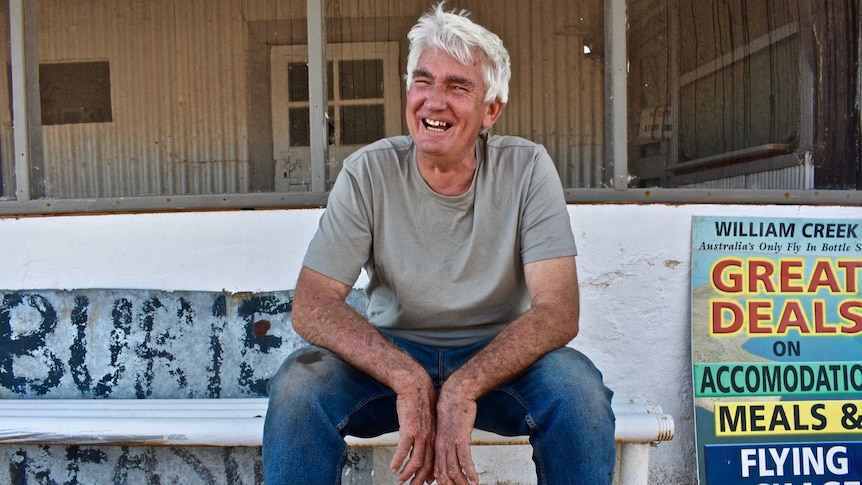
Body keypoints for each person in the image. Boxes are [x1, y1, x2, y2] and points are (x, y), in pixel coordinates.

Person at [263, 4, 616, 484]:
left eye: (458, 86)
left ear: (491, 109)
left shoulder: (527, 169)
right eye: (423, 81)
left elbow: (558, 310)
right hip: (391, 361)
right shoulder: (368, 173)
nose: (433, 102)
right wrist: (407, 379)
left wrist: (463, 387)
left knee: (578, 390)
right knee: (299, 386)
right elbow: (312, 304)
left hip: (498, 365)